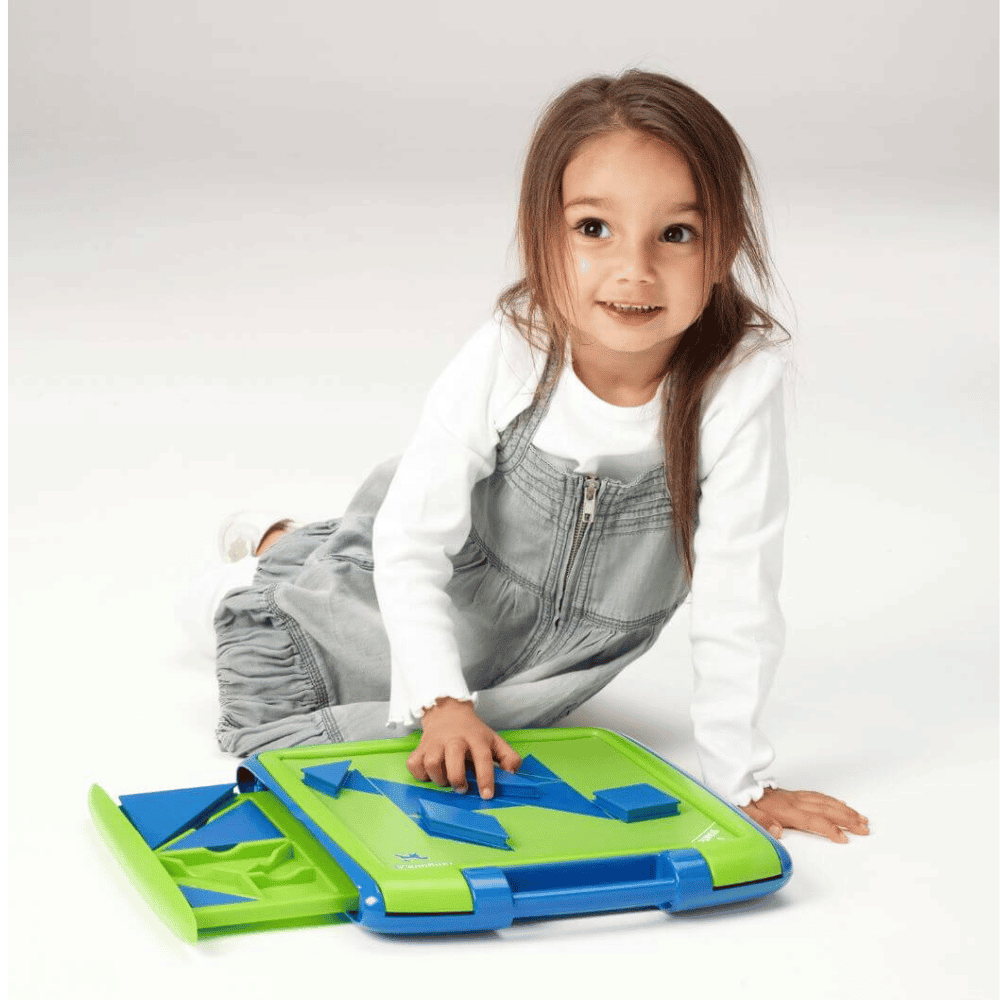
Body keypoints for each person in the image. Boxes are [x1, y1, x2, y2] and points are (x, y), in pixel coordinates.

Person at [183, 69, 869, 844]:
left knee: (494, 726)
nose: (635, 270)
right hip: (446, 580)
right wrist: (442, 702)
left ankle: (287, 539)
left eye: (676, 234)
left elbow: (738, 597)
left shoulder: (738, 384)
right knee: (308, 645)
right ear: (543, 234)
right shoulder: (514, 349)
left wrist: (741, 783)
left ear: (725, 249)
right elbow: (411, 542)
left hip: (555, 655)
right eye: (593, 228)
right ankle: (251, 570)